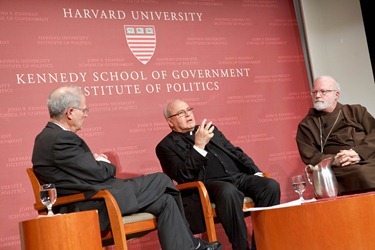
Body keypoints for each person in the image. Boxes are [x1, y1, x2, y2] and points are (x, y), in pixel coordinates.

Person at [31, 86, 222, 250]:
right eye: (84, 110)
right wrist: (103, 162)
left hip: (101, 196)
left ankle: (189, 246)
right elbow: (98, 172)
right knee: (162, 180)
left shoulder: (49, 137)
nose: (86, 115)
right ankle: (193, 245)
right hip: (95, 204)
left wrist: (94, 161)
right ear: (70, 112)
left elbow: (82, 172)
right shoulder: (60, 139)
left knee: (166, 201)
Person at [155, 99, 281, 250]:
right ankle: (241, 247)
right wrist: (199, 145)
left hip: (237, 177)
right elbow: (182, 175)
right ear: (170, 122)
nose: (188, 115)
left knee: (270, 186)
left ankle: (262, 244)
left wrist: (256, 171)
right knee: (228, 191)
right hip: (208, 186)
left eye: (189, 110)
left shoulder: (209, 129)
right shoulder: (165, 146)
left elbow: (235, 152)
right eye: (181, 113)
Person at [296, 75, 375, 195]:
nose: (317, 96)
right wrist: (335, 160)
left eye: (323, 91)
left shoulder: (356, 111)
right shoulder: (307, 125)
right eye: (315, 92)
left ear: (336, 95)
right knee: (362, 173)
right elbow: (310, 156)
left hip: (368, 158)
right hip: (340, 168)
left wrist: (358, 153)